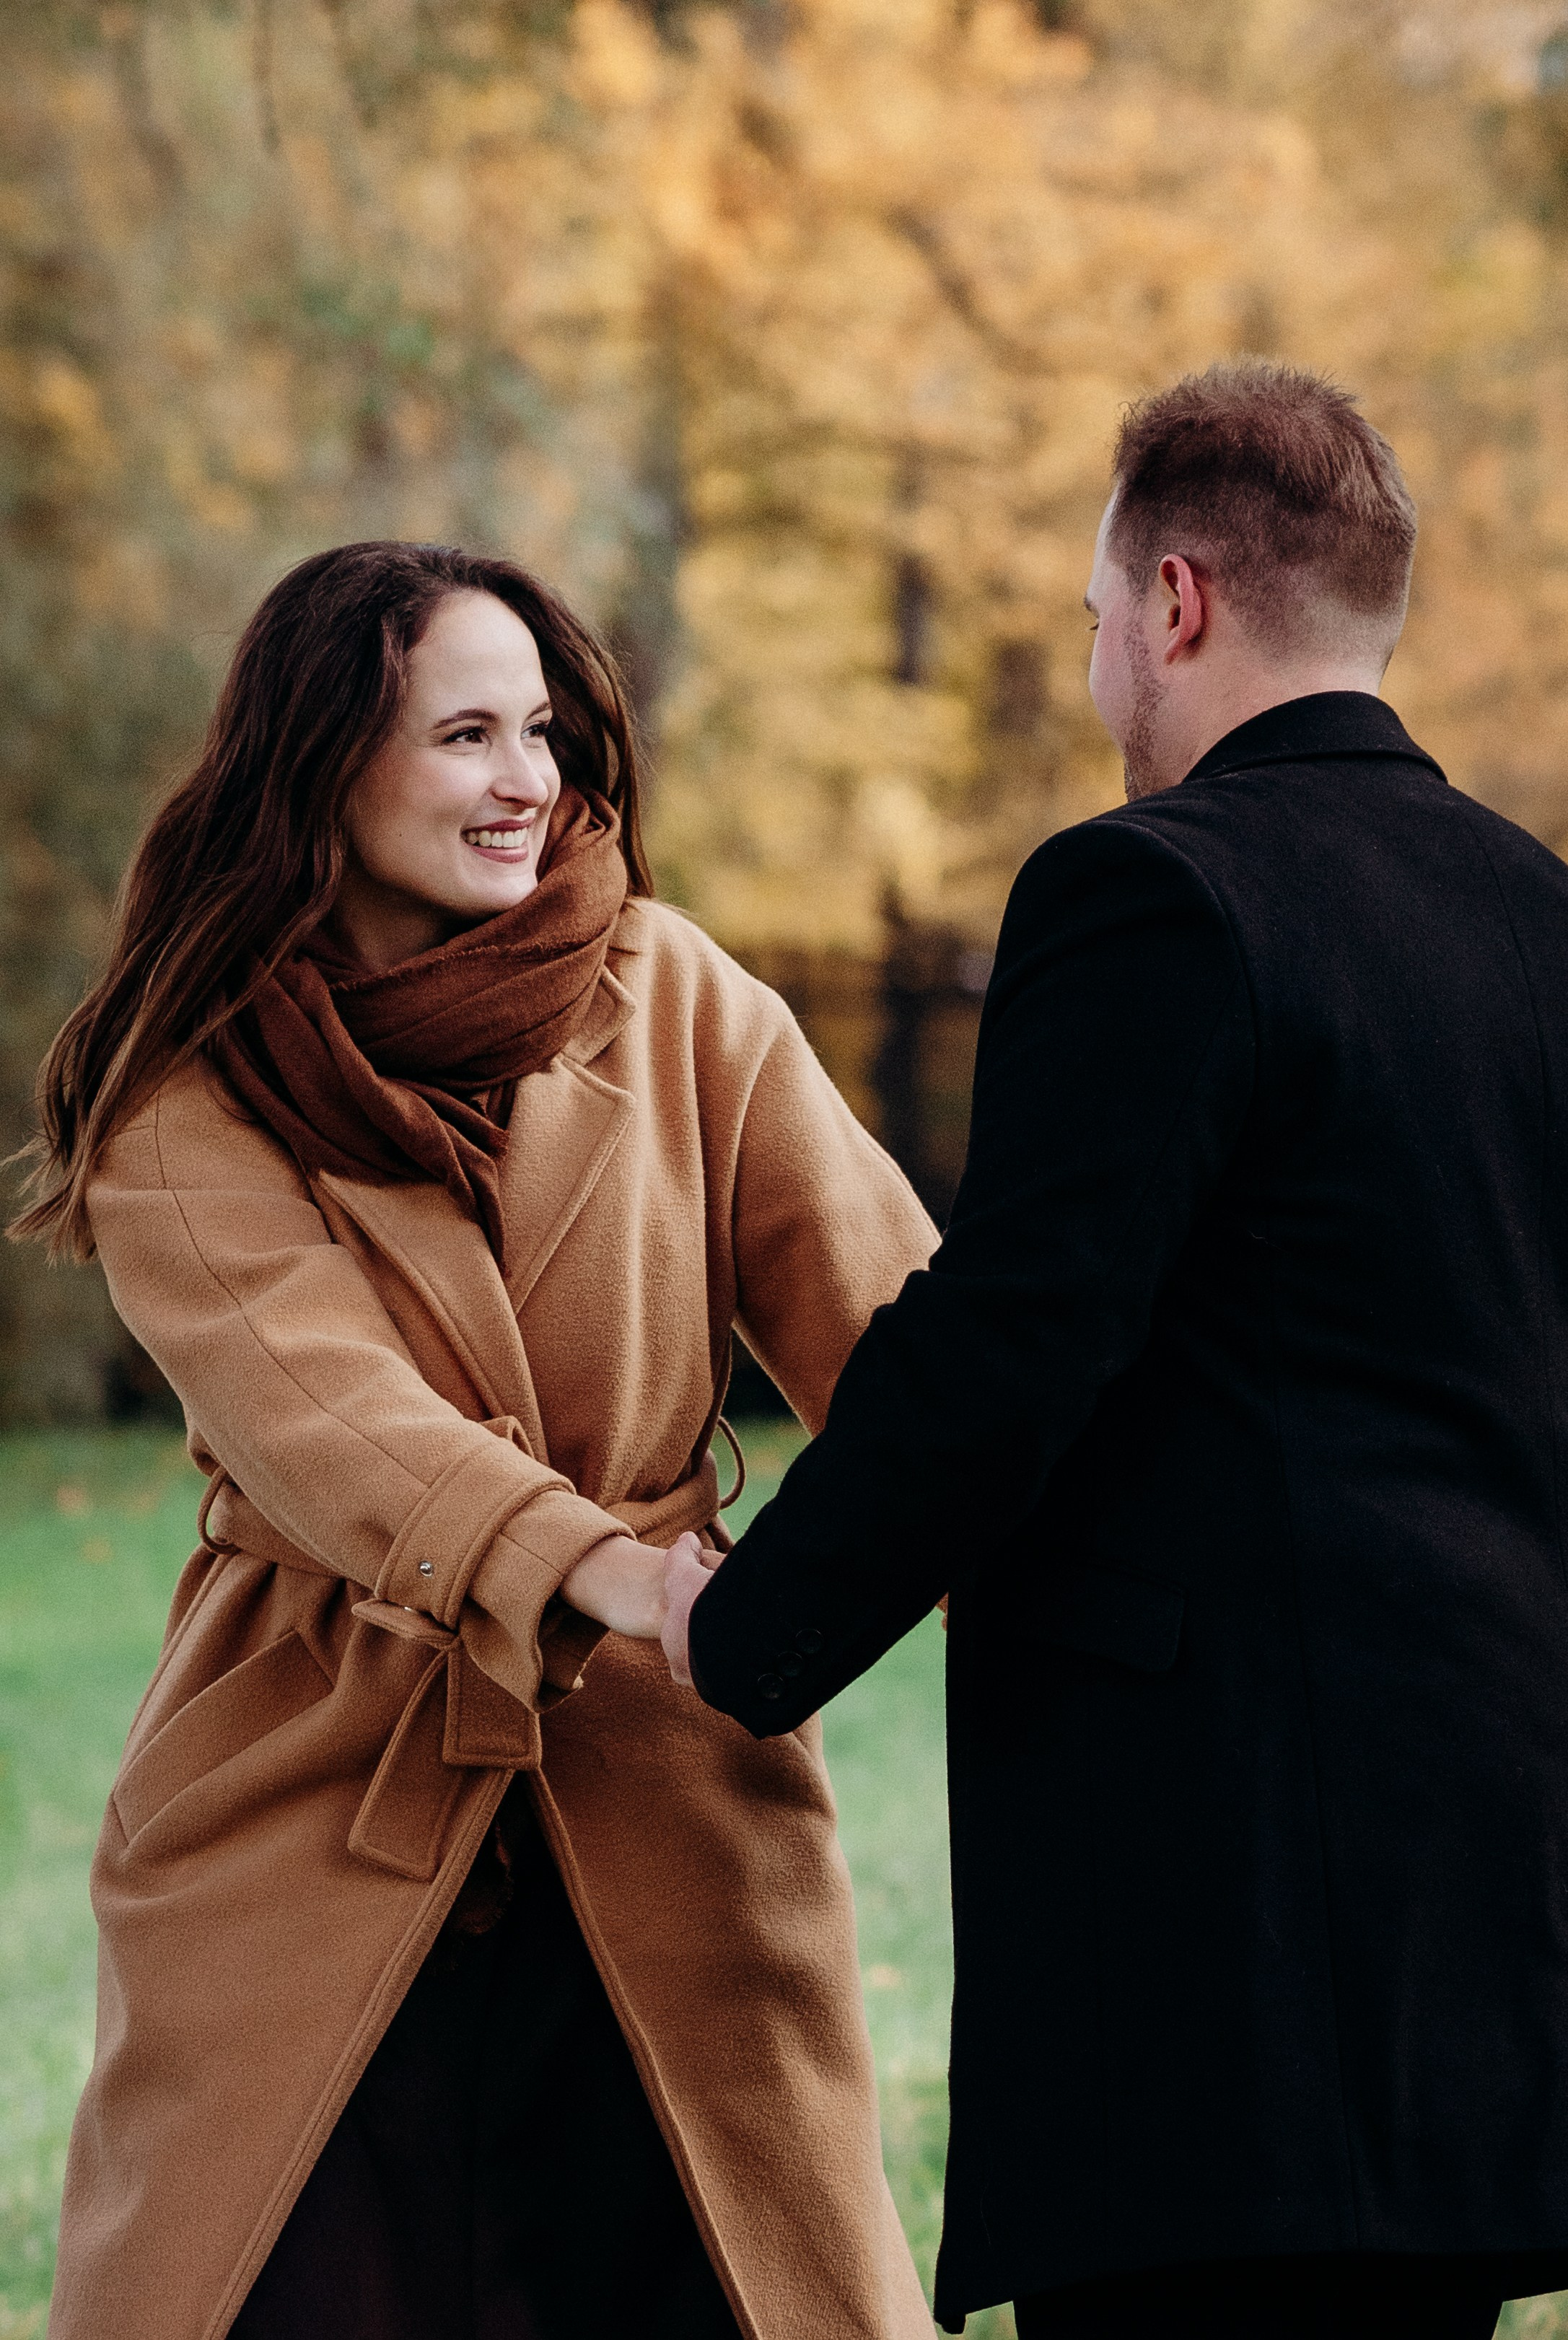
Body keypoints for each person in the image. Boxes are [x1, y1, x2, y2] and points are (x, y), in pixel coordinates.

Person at [660, 364, 1568, 2339]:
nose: (1093, 678)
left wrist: (741, 1631)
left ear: (1171, 600)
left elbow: (1014, 1334)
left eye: (1089, 627)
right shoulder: (1532, 914)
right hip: (1485, 1893)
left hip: (1220, 1916)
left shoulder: (1142, 890)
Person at [14, 541, 939, 2340]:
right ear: (322, 766)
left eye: (542, 731)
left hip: (669, 1792)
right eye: (464, 734)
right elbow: (335, 1424)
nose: (528, 782)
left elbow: (905, 1339)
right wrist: (613, 1571)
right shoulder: (175, 1092)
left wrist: (1077, 1559)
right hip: (309, 1799)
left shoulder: (677, 998)